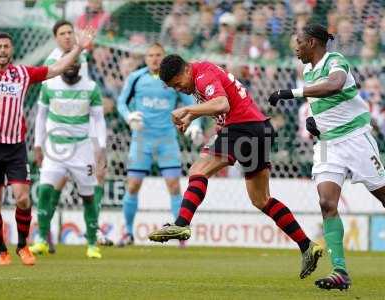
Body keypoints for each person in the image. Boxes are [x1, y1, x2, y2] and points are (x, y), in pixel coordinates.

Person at [148, 54, 323, 279]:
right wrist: (191, 117)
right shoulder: (201, 77)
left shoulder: (202, 76)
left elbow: (223, 103)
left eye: (177, 84)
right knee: (261, 199)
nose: (178, 90)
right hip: (259, 129)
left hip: (242, 129)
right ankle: (307, 246)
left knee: (197, 171)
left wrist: (188, 111)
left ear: (185, 71)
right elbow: (219, 105)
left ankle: (181, 224)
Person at [267, 23, 385, 290]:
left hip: (356, 139)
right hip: (327, 144)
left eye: (299, 41)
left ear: (312, 43)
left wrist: (291, 93)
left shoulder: (336, 61)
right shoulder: (307, 70)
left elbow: (334, 85)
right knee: (326, 203)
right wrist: (313, 120)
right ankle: (340, 272)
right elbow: (322, 103)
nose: (295, 47)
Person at [0, 29, 95, 266]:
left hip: (15, 147)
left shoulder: (23, 74)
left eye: (6, 47)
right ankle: (1, 250)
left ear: (12, 50)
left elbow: (56, 68)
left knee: (22, 199)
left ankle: (23, 246)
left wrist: (78, 48)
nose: (3, 51)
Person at [33, 20, 112, 254]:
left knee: (87, 187)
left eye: (70, 32)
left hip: (82, 139)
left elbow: (88, 97)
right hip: (57, 141)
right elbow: (42, 112)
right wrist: (40, 143)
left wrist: (100, 146)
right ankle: (44, 236)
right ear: (56, 37)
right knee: (49, 187)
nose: (67, 36)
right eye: (62, 33)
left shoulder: (82, 59)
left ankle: (89, 236)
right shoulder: (52, 63)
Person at [117, 43, 203, 247]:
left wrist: (196, 124)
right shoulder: (136, 78)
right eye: (150, 55)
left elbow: (194, 100)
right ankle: (128, 233)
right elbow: (121, 102)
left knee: (174, 186)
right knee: (132, 185)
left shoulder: (173, 81)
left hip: (166, 139)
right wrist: (129, 116)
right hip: (141, 139)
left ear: (163, 57)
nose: (154, 58)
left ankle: (181, 234)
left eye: (158, 55)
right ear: (145, 57)